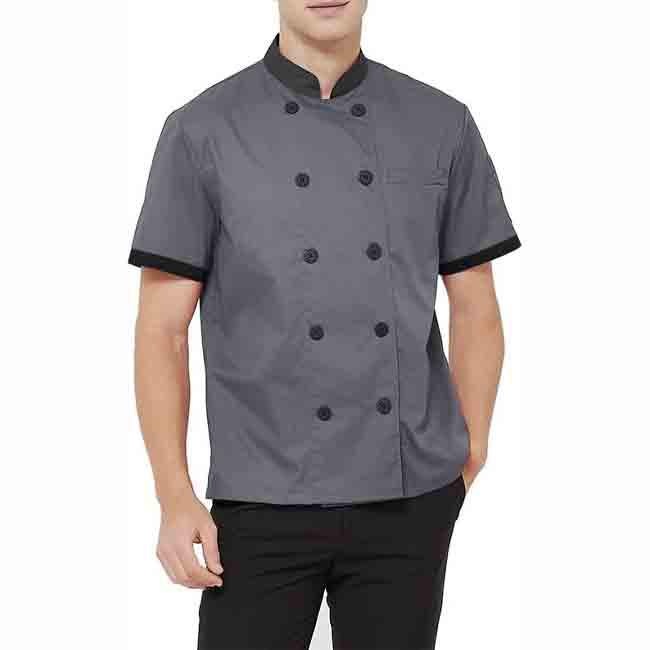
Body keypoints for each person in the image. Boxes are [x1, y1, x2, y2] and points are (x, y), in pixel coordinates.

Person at [128, 1, 521, 647]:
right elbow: (161, 331)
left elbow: (476, 304)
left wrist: (469, 450)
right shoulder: (202, 130)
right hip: (260, 497)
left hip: (407, 498)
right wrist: (174, 495)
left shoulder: (440, 122)